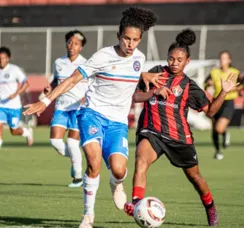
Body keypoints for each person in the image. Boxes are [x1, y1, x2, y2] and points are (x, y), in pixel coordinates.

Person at [23, 7, 160, 228]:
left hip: (118, 123)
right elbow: (72, 79)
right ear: (118, 36)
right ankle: (88, 215)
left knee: (119, 169)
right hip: (92, 115)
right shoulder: (102, 56)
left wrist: (147, 80)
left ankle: (116, 183)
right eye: (126, 38)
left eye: (135, 40)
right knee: (94, 163)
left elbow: (131, 83)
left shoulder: (139, 59)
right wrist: (45, 101)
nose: (130, 44)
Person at [124, 29, 238, 226]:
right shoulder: (156, 74)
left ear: (187, 62)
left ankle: (210, 207)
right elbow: (134, 93)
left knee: (195, 177)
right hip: (152, 132)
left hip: (179, 138)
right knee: (140, 161)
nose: (174, 63)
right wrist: (148, 83)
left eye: (179, 60)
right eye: (171, 58)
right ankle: (136, 205)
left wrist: (223, 93)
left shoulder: (190, 86)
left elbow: (210, 112)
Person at [43, 30, 88, 187]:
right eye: (69, 42)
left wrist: (86, 98)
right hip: (61, 106)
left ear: (81, 47)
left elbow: (93, 85)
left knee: (72, 142)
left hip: (78, 107)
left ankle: (78, 177)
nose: (72, 46)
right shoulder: (58, 62)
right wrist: (50, 88)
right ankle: (75, 158)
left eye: (76, 43)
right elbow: (56, 81)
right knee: (55, 141)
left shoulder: (86, 64)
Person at [204, 51, 243, 160]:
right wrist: (208, 84)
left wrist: (233, 89)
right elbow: (205, 83)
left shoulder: (234, 72)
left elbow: (241, 85)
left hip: (228, 101)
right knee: (214, 129)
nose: (222, 61)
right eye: (221, 58)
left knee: (219, 128)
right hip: (217, 100)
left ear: (229, 60)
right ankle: (218, 151)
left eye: (225, 58)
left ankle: (225, 133)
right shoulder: (214, 72)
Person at [0, 46, 33, 148]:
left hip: (13, 106)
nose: (1, 60)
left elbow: (26, 83)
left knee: (13, 131)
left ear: (8, 58)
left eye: (3, 58)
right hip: (1, 105)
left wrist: (16, 94)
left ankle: (27, 132)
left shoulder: (14, 70)